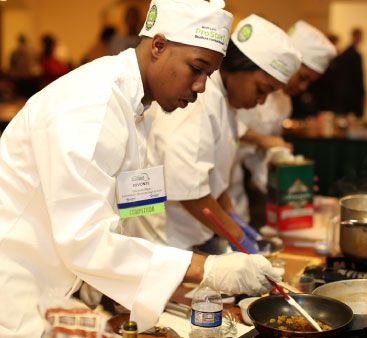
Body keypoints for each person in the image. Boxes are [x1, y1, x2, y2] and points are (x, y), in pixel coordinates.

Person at [0, 1, 281, 337]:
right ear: (159, 46)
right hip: (19, 288)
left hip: (64, 285)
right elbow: (85, 240)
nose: (202, 86)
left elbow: (123, 212)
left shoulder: (138, 105)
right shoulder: (92, 105)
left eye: (209, 75)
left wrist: (171, 290)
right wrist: (209, 269)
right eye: (197, 68)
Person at [136, 15, 302, 253]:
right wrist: (237, 237)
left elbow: (215, 176)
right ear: (240, 68)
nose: (261, 101)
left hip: (192, 234)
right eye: (261, 89)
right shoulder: (199, 99)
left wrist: (234, 218)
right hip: (166, 239)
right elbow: (188, 188)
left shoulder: (225, 99)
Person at [230, 21, 337, 223]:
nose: (304, 87)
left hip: (231, 187)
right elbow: (225, 125)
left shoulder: (284, 103)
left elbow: (258, 158)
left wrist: (286, 180)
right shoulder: (234, 86)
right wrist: (261, 139)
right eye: (303, 77)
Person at [333, 27, 366, 118]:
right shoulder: (354, 55)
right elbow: (359, 77)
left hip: (344, 94)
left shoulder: (344, 53)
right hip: (352, 95)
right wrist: (363, 95)